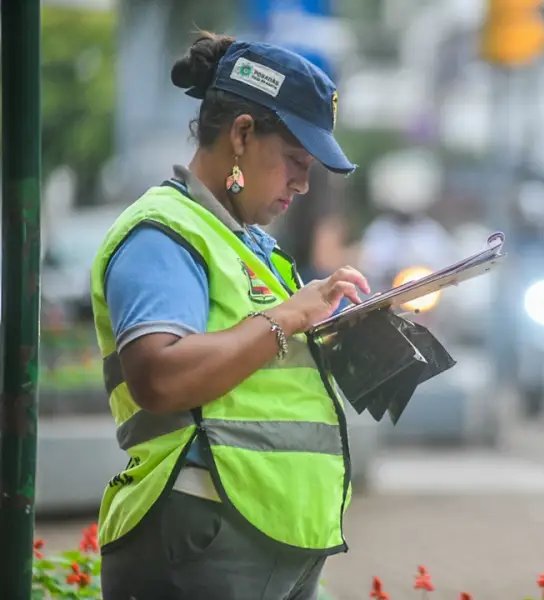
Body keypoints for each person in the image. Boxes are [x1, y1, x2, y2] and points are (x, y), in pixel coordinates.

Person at [90, 31, 370, 600]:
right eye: (294, 160)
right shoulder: (164, 231)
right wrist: (287, 319)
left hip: (271, 538)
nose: (302, 182)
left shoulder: (250, 245)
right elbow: (159, 376)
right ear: (242, 134)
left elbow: (264, 378)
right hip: (205, 535)